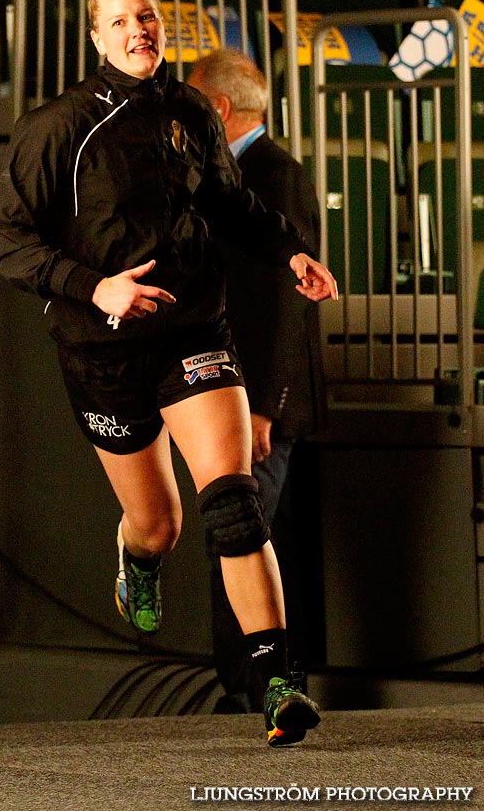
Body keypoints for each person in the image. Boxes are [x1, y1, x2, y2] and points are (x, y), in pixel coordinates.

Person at [0, 0, 337, 746]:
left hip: (194, 333)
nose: (138, 30)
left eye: (147, 17)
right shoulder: (56, 128)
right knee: (162, 525)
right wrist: (94, 287)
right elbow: (6, 242)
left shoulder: (189, 113)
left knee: (234, 501)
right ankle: (135, 554)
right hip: (102, 353)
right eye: (121, 22)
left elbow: (229, 203)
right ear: (97, 38)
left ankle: (280, 683)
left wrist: (291, 253)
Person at [186, 48, 327, 715]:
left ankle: (255, 690)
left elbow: (284, 305)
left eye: (191, 102)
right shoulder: (231, 178)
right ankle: (261, 688)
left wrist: (265, 409)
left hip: (260, 408)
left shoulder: (275, 177)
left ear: (217, 108)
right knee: (252, 541)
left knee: (248, 541)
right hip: (239, 400)